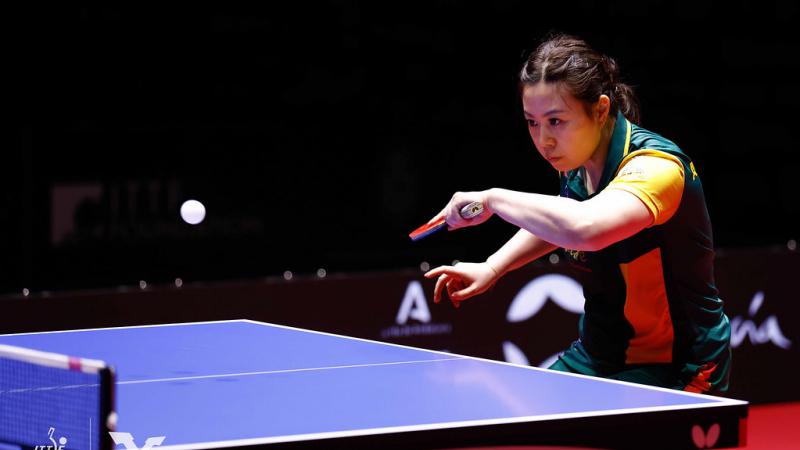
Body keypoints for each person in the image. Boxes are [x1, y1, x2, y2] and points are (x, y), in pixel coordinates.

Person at [424, 34, 731, 393]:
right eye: (532, 122)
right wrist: (493, 266)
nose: (544, 140)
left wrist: (492, 200)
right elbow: (559, 221)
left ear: (600, 110)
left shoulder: (656, 168)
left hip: (679, 365)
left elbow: (584, 226)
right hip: (598, 355)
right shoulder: (576, 162)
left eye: (555, 121)